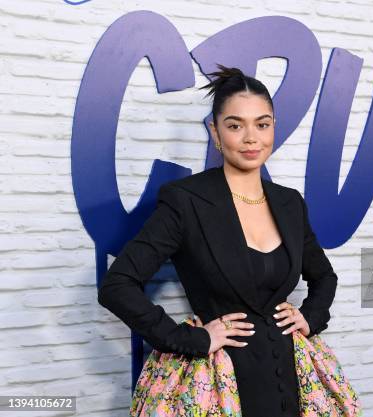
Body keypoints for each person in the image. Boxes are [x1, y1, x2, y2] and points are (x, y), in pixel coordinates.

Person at [97, 64, 342, 416]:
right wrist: (189, 339)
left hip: (291, 378)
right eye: (234, 125)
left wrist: (311, 317)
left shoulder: (290, 203)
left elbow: (324, 276)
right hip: (219, 386)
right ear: (215, 132)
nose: (251, 138)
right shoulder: (186, 200)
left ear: (274, 127)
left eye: (262, 124)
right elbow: (117, 285)